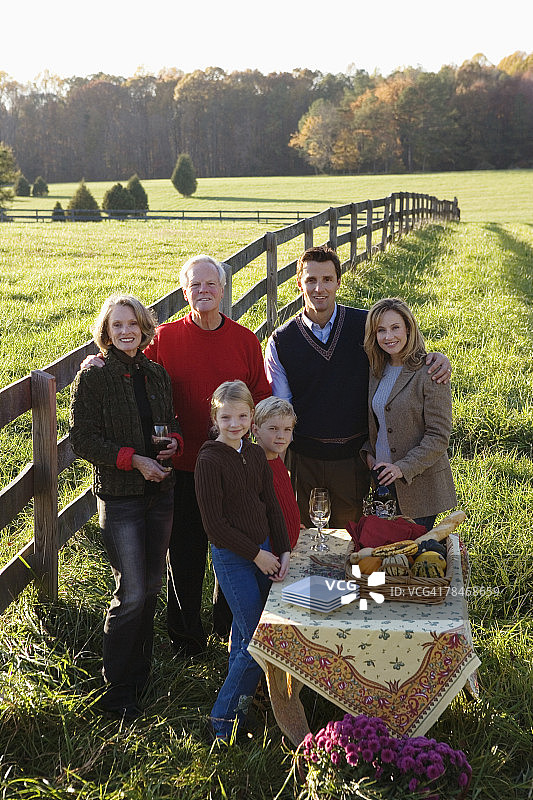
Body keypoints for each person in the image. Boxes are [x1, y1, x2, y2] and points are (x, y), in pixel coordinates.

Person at [80, 254, 271, 655]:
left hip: (231, 465)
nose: (203, 291)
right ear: (185, 292)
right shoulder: (165, 338)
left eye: (210, 284)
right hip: (182, 469)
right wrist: (96, 360)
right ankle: (186, 640)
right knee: (184, 554)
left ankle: (228, 629)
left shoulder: (244, 340)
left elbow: (262, 397)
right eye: (195, 285)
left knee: (234, 548)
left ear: (222, 289)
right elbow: (129, 373)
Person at [265, 244, 452, 529]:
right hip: (304, 461)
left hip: (356, 460)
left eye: (327, 279)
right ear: (299, 283)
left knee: (357, 544)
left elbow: (400, 356)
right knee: (307, 541)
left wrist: (435, 358)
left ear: (339, 282)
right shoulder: (281, 340)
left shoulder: (364, 325)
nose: (320, 288)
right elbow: (281, 409)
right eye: (311, 280)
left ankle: (359, 576)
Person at [69, 294, 183, 720]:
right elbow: (82, 440)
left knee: (151, 589)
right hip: (120, 499)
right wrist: (133, 459)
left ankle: (141, 675)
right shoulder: (94, 376)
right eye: (117, 325)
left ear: (144, 328)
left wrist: (174, 444)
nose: (125, 332)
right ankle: (115, 692)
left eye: (132, 323)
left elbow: (170, 424)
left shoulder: (156, 373)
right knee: (131, 592)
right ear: (106, 331)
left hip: (161, 493)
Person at [194, 381, 290, 741]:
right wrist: (257, 554)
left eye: (242, 416)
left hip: (266, 550)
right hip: (235, 557)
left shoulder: (253, 453)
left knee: (245, 635)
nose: (235, 423)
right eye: (226, 417)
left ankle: (238, 711)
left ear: (252, 417)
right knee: (258, 639)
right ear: (215, 418)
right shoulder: (209, 460)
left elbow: (272, 507)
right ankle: (221, 723)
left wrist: (283, 550)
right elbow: (215, 526)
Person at [360, 297, 457, 529]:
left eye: (395, 328)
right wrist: (368, 454)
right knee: (383, 558)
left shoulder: (431, 371)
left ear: (408, 328)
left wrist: (402, 468)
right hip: (382, 483)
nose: (388, 336)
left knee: (414, 558)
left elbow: (438, 437)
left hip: (419, 489)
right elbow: (377, 423)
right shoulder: (376, 370)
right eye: (380, 330)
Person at [252, 396, 301, 550]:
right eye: (273, 429)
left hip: (288, 550)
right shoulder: (255, 468)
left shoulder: (277, 461)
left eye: (287, 429)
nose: (281, 436)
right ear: (255, 430)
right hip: (271, 556)